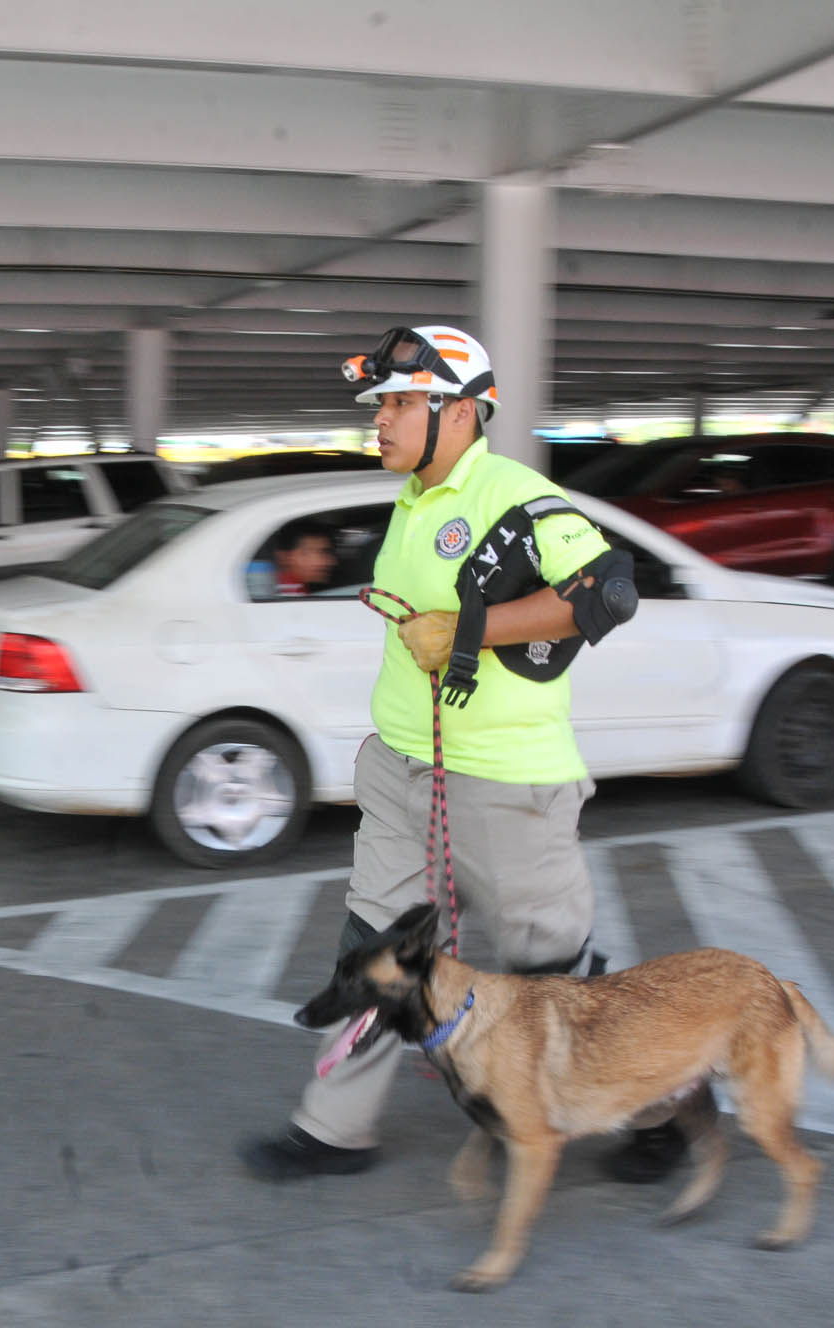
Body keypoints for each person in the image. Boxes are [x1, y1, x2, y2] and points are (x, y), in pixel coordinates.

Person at [239, 325, 676, 1184]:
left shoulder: (515, 496)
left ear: (463, 412)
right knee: (372, 947)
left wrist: (472, 629)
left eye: (400, 403)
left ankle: (652, 1111)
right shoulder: (411, 504)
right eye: (382, 406)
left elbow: (610, 592)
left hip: (508, 786)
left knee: (556, 976)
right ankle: (334, 1130)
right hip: (401, 770)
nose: (382, 420)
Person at [272, 522, 336, 597]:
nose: (332, 561)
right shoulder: (289, 595)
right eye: (322, 553)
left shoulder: (296, 590)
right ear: (285, 557)